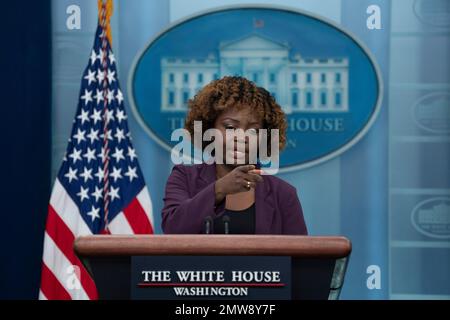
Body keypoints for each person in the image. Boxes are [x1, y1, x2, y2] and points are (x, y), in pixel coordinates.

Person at [161, 76, 307, 235]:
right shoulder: (184, 178)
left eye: (253, 130)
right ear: (209, 129)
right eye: (230, 127)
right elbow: (172, 227)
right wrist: (219, 189)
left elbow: (302, 257)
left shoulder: (283, 194)